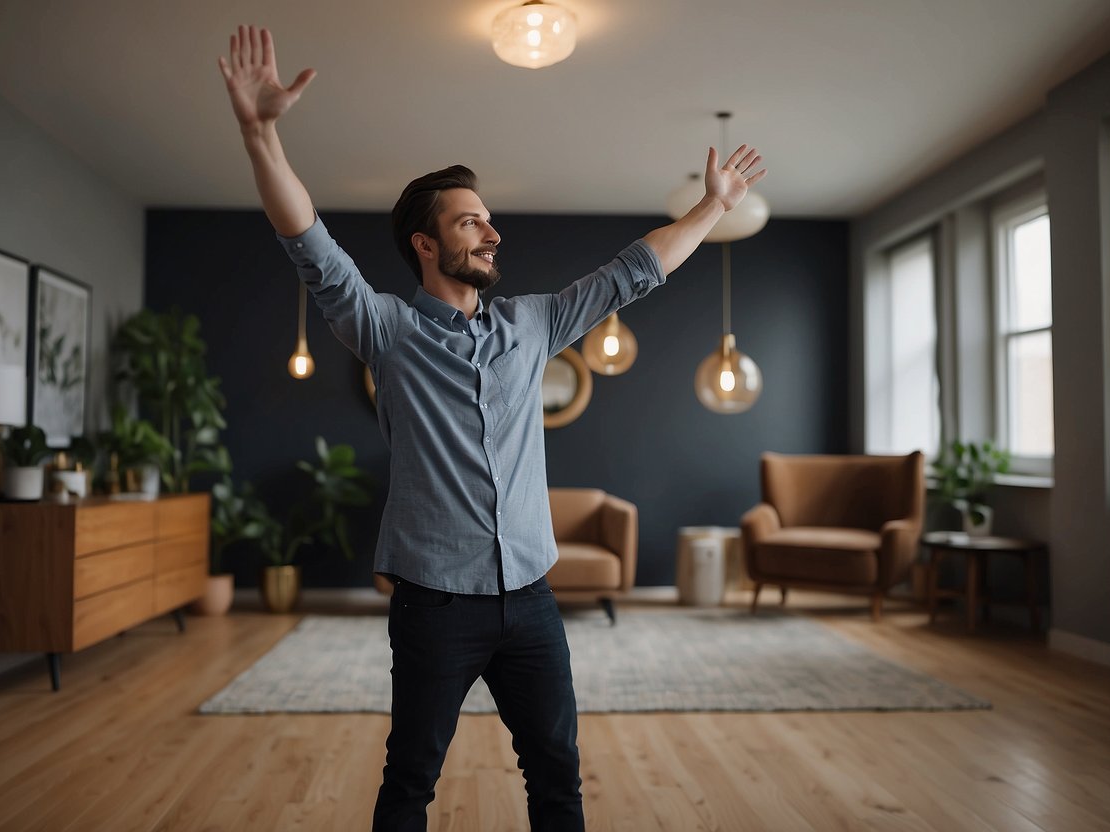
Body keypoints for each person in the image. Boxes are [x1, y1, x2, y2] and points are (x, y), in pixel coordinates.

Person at [218, 24, 767, 831]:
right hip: (435, 603)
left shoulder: (533, 324)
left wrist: (711, 208)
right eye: (470, 222)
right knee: (410, 780)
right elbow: (309, 244)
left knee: (557, 775)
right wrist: (259, 133)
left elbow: (634, 271)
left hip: (532, 600)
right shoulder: (386, 331)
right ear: (426, 244)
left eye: (487, 219)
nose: (491, 230)